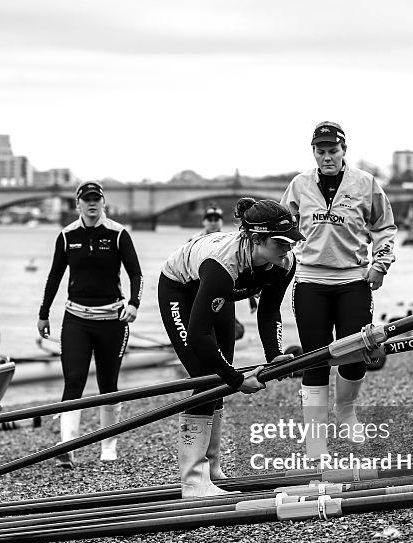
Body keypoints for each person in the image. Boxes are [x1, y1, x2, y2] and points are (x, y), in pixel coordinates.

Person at [159, 197, 302, 497]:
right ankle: (193, 482)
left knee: (219, 377)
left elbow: (269, 311)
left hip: (221, 292)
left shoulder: (284, 263)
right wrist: (237, 380)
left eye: (292, 240)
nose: (289, 247)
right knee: (208, 377)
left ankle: (212, 469)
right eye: (282, 242)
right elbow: (198, 334)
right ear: (256, 239)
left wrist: (273, 355)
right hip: (180, 288)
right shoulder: (223, 264)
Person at [280, 121, 396, 457]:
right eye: (321, 151)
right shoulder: (299, 185)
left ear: (344, 151)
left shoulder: (365, 183)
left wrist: (380, 264)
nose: (327, 157)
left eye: (333, 151)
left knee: (355, 351)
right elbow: (282, 232)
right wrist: (271, 276)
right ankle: (316, 441)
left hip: (353, 282)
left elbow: (385, 227)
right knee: (316, 359)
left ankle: (346, 412)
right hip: (311, 282)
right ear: (314, 152)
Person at [37, 181, 143, 466]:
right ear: (78, 204)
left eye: (97, 199)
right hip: (76, 319)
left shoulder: (118, 234)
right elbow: (54, 277)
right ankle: (67, 447)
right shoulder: (66, 235)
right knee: (73, 381)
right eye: (86, 200)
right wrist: (43, 313)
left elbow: (137, 274)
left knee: (108, 385)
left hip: (112, 319)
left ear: (103, 203)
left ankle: (108, 445)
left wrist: (134, 304)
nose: (92, 204)